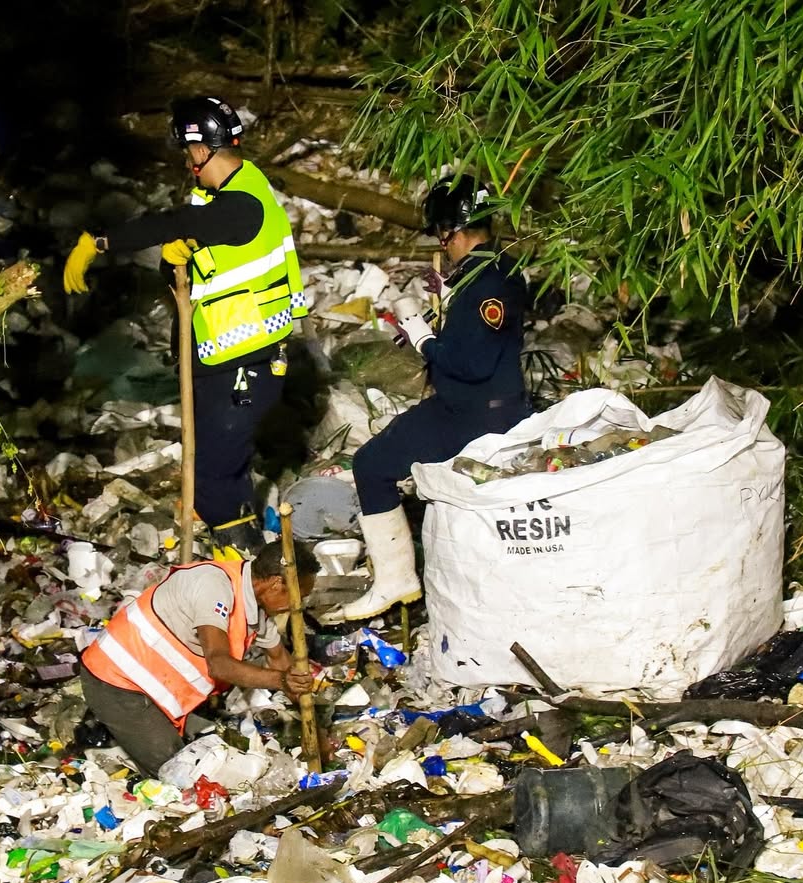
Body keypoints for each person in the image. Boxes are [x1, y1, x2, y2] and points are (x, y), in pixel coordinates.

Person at [63, 95, 306, 553]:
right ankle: (242, 555)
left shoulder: (242, 204)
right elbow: (195, 266)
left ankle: (247, 563)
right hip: (217, 358)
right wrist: (176, 259)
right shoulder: (221, 193)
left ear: (198, 150)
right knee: (226, 475)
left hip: (246, 363)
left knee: (213, 479)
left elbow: (178, 221)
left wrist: (99, 241)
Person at [339, 175, 532, 621]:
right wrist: (444, 305)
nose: (443, 246)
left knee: (371, 465)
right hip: (487, 405)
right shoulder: (494, 269)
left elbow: (471, 364)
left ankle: (395, 580)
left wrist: (424, 340)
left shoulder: (484, 284)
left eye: (442, 237)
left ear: (453, 231)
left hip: (470, 413)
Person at [79, 539, 318, 776]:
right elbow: (219, 665)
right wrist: (282, 680)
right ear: (276, 584)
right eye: (299, 597)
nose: (298, 606)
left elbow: (280, 660)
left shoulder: (256, 610)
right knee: (178, 775)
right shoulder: (214, 586)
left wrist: (317, 731)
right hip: (116, 681)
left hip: (157, 695)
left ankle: (118, 740)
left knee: (211, 754)